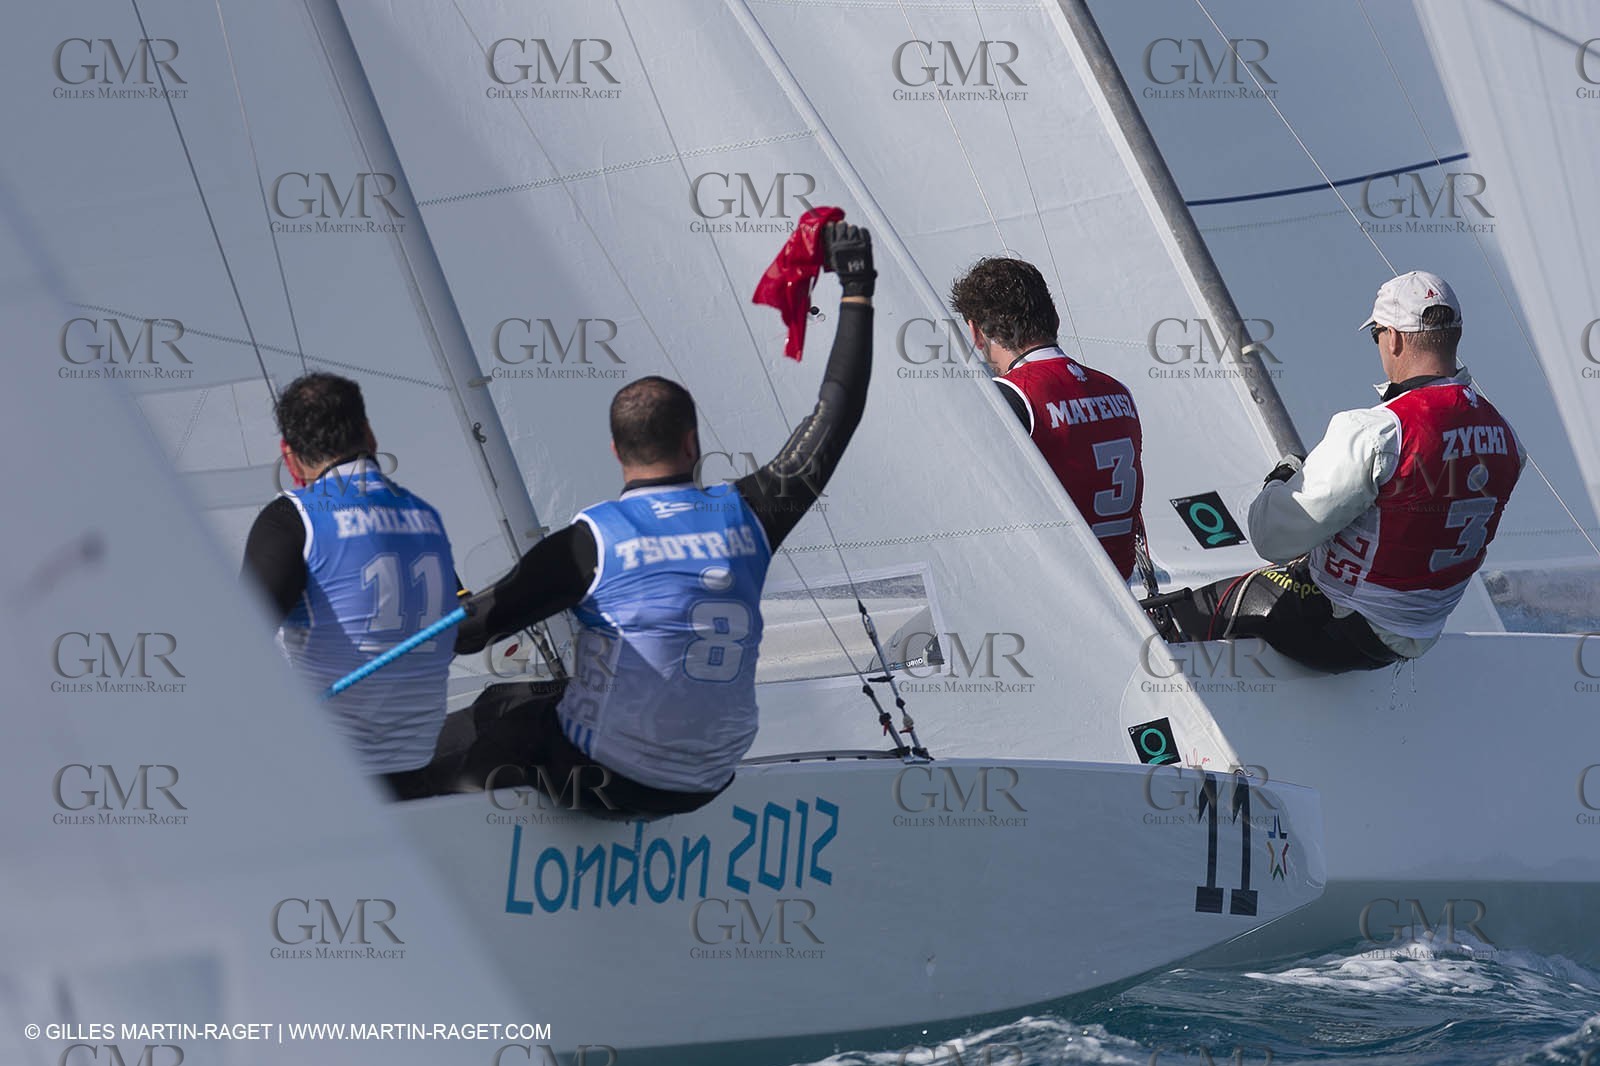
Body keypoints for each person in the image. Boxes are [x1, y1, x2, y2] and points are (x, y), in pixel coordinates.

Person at [450, 221, 876, 816]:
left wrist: (451, 605)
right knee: (551, 694)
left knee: (495, 714)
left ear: (615, 451)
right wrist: (858, 287)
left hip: (608, 782)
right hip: (711, 780)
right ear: (692, 443)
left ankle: (455, 861)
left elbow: (471, 633)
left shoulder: (587, 544)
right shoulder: (750, 515)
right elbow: (837, 412)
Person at [1152, 271, 1524, 673]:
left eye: (1376, 335)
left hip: (1350, 628)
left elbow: (1271, 539)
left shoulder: (1377, 431)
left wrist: (1279, 480)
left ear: (1394, 337)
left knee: (1185, 613)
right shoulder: (1506, 437)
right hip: (1422, 631)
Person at [241, 373, 460, 799]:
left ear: (289, 456)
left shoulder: (291, 518)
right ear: (369, 434)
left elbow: (238, 640)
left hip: (330, 778)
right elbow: (454, 632)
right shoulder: (425, 516)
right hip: (416, 772)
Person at [949, 257, 1146, 580]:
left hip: (1055, 597)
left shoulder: (1010, 396)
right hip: (1120, 591)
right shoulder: (1118, 391)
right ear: (1053, 317)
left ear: (976, 332)